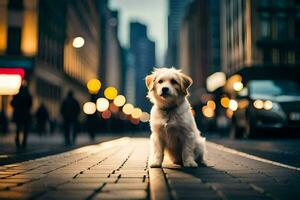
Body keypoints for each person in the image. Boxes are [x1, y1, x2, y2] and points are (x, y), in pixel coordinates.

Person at [11, 84, 32, 149]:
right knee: (25, 129)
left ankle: (17, 139)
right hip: (25, 114)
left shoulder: (16, 95)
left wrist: (17, 107)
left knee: (18, 128)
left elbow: (12, 103)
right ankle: (24, 141)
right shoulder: (28, 96)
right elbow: (30, 104)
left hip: (18, 114)